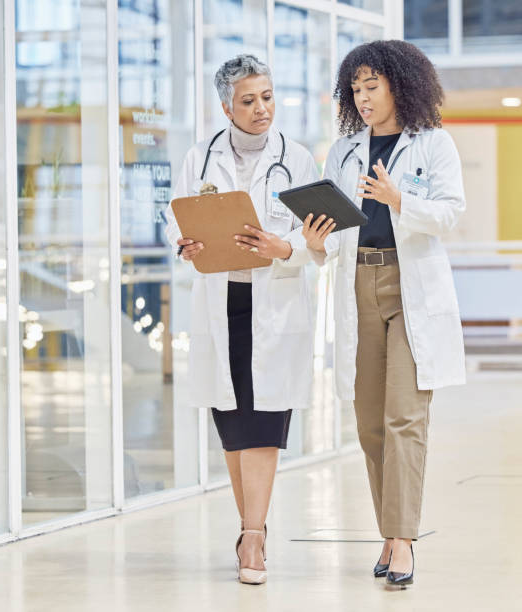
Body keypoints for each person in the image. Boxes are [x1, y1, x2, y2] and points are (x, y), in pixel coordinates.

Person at [303, 40, 466, 587]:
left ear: (401, 84)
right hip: (357, 282)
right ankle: (389, 531)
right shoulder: (343, 150)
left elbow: (450, 215)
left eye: (373, 86)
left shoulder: (434, 143)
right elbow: (334, 234)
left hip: (410, 284)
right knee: (371, 423)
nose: (364, 96)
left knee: (404, 418)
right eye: (356, 88)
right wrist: (315, 240)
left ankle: (402, 541)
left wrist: (400, 201)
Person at [165, 54, 318, 585]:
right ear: (226, 106)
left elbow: (322, 236)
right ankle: (249, 527)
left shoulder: (296, 159)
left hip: (274, 304)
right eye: (249, 100)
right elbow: (176, 216)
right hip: (221, 301)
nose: (261, 109)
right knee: (233, 425)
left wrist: (287, 246)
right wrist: (184, 243)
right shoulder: (200, 158)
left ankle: (253, 536)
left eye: (267, 97)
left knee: (263, 424)